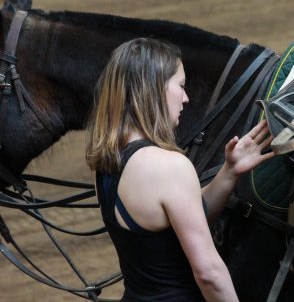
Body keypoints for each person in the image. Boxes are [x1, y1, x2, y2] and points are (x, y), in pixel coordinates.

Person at [85, 37, 275, 301]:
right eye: (181, 86)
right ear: (153, 88)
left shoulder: (108, 163)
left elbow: (178, 224)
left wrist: (230, 170)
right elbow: (209, 273)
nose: (186, 99)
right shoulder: (168, 167)